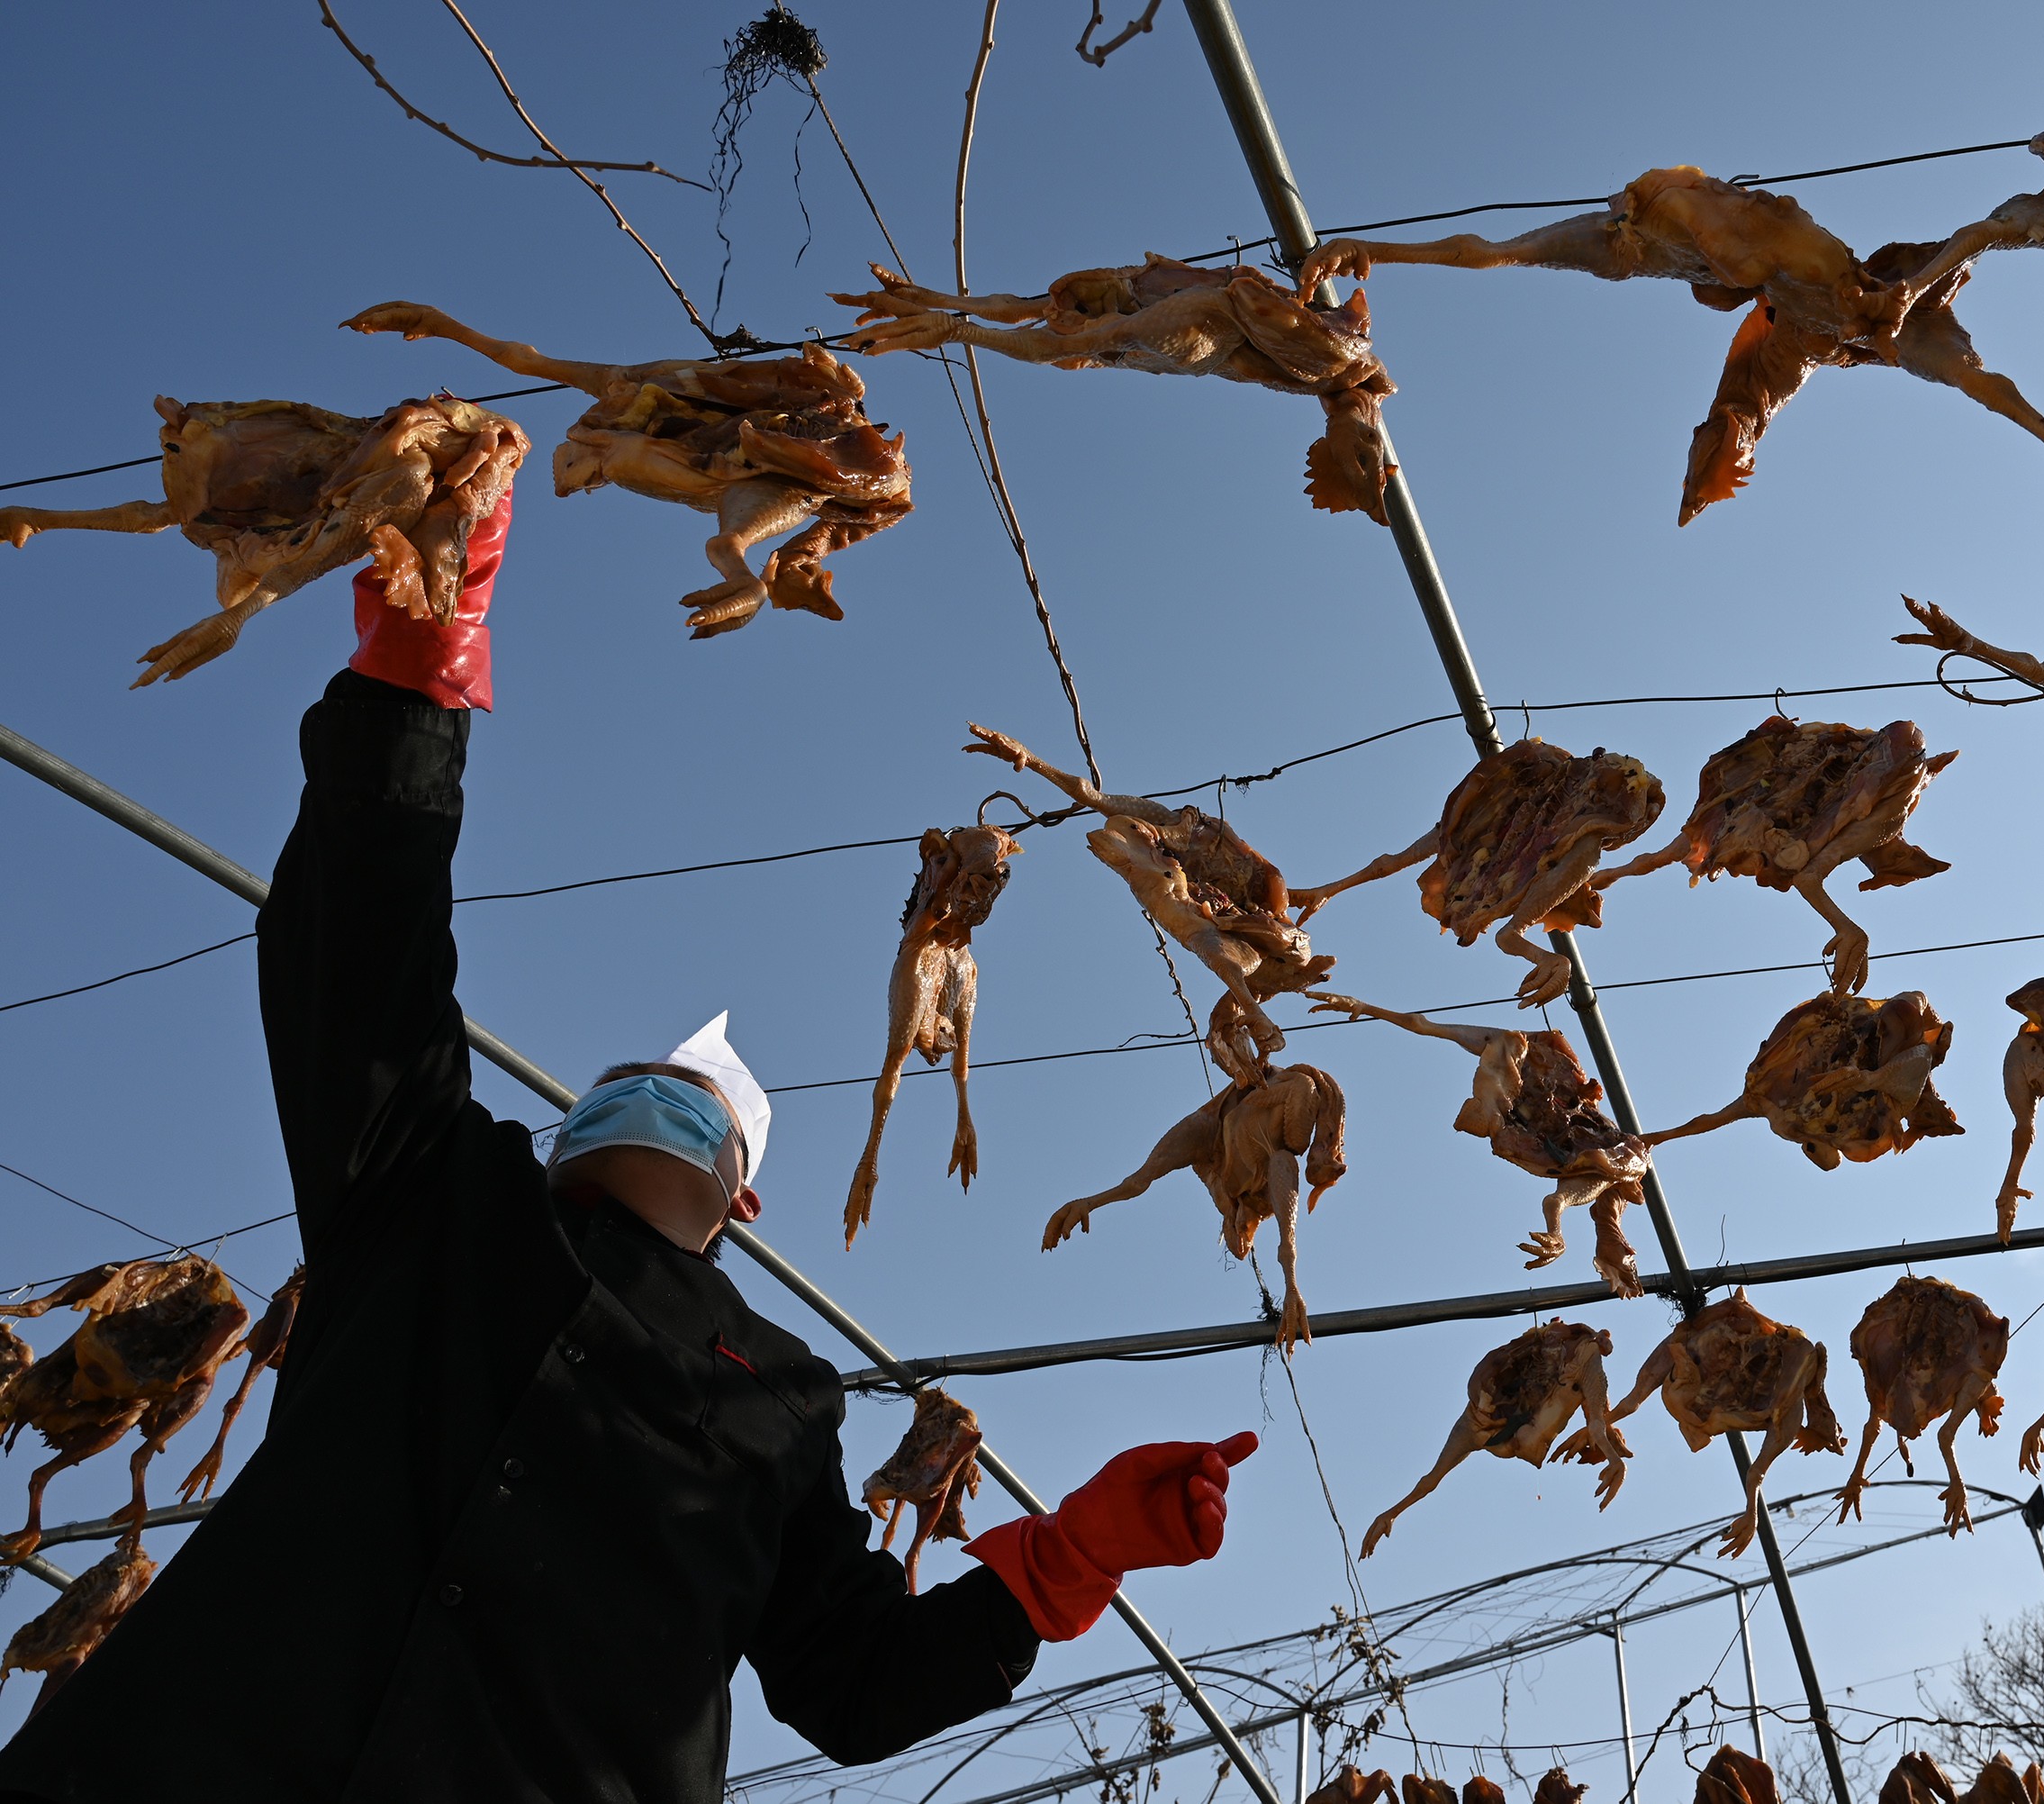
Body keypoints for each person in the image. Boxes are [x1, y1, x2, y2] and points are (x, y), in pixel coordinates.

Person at [0, 498, 1254, 1802]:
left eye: (677, 1095)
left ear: (742, 1198)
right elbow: (365, 975)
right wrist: (414, 695)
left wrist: (1063, 1560)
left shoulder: (778, 1397)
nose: (642, 1092)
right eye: (622, 1083)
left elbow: (853, 1679)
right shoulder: (440, 1197)